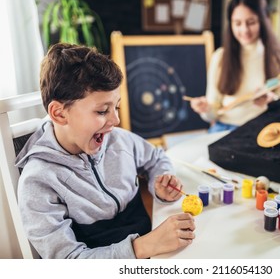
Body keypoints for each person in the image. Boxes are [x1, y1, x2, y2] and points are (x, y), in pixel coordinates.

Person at [15, 43, 195, 259]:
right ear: (60, 114)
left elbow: (156, 157)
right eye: (102, 111)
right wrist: (144, 246)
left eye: (116, 107)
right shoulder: (38, 183)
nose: (116, 120)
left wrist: (161, 182)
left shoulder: (117, 140)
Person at [190, 0, 280, 133]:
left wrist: (273, 101)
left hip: (263, 129)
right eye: (237, 23)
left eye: (251, 22)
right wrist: (205, 109)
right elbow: (213, 114)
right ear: (230, 24)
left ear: (263, 20)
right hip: (225, 129)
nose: (244, 30)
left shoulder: (278, 57)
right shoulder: (220, 57)